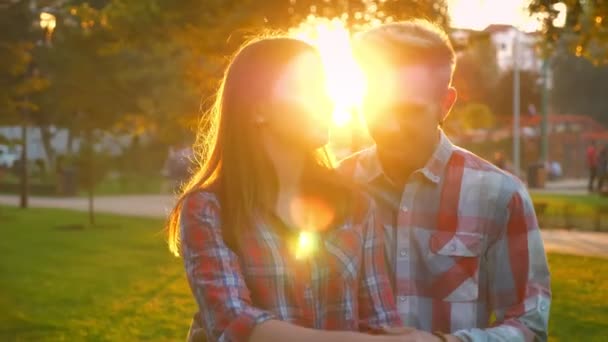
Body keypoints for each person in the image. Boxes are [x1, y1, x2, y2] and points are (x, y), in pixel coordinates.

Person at [166, 37, 404, 342]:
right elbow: (236, 325)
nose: (329, 101)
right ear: (258, 110)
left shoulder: (356, 205)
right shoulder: (207, 209)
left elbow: (380, 320)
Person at [339, 20, 551, 341]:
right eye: (377, 107)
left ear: (446, 104)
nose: (391, 126)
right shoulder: (334, 185)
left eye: (409, 111)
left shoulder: (500, 196)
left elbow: (529, 323)